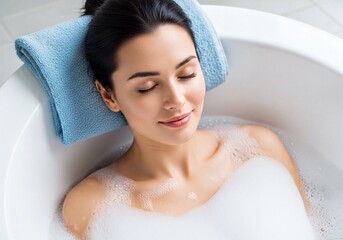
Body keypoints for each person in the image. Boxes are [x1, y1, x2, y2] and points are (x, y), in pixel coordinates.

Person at [62, 0, 312, 239]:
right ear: (109, 96)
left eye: (186, 74)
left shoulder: (258, 149)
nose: (177, 100)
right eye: (148, 87)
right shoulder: (92, 206)